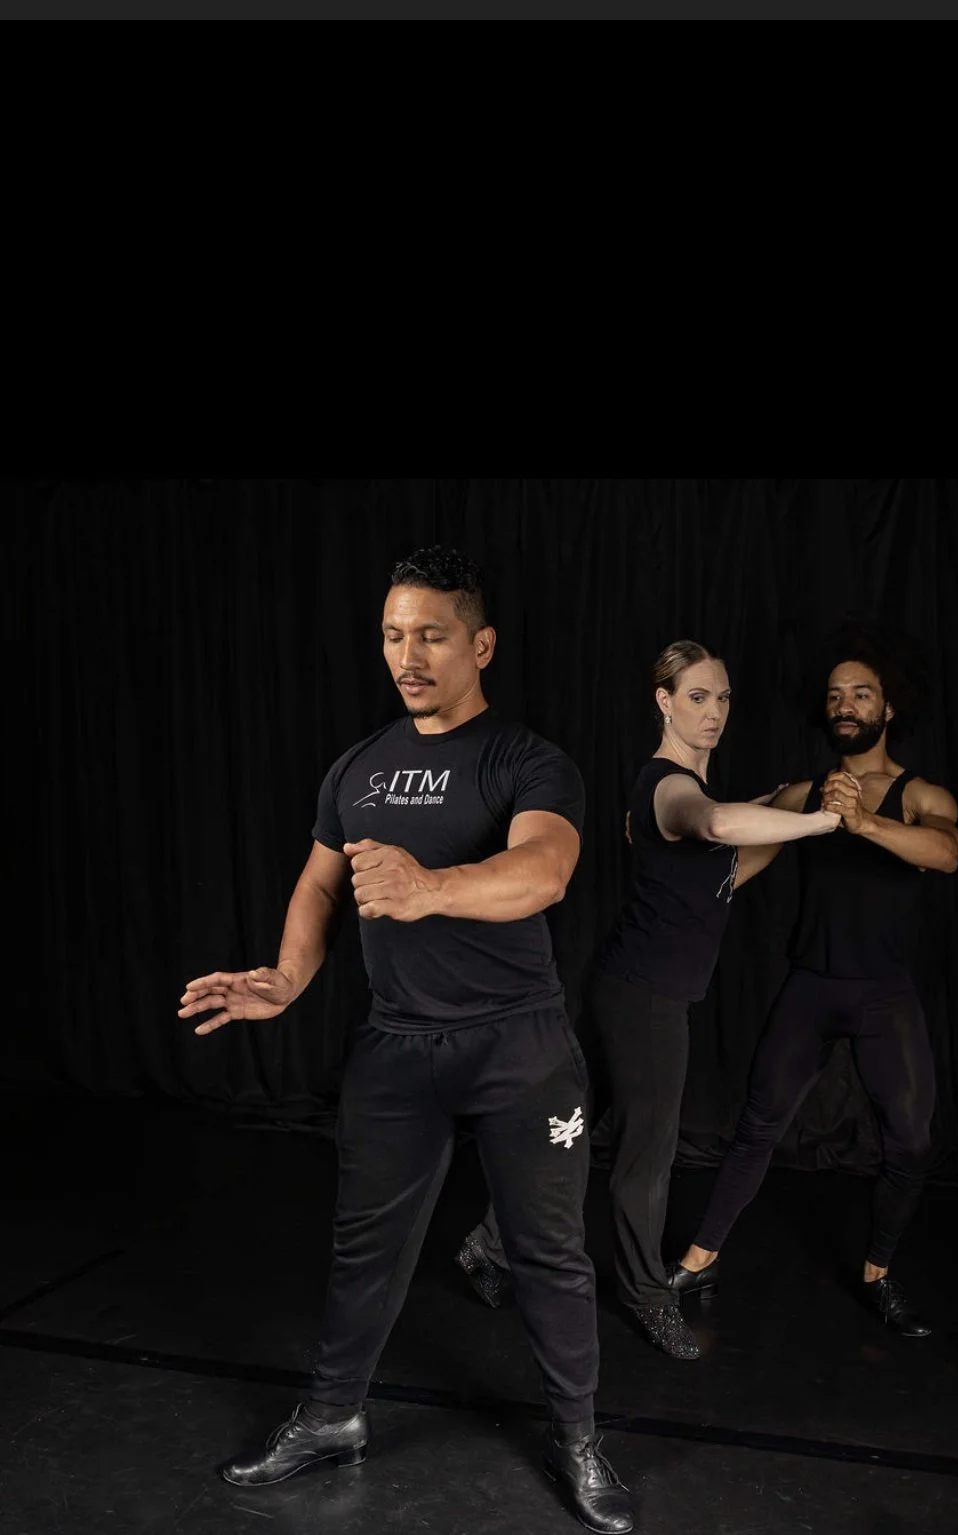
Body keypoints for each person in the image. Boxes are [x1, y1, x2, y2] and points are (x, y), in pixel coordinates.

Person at [177, 546, 633, 1535]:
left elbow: (545, 869)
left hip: (519, 1046)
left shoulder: (529, 759)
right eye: (392, 633)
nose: (407, 652)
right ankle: (334, 1415)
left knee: (550, 1253)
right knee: (363, 1249)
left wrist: (431, 889)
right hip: (396, 1050)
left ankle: (579, 1437)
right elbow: (321, 881)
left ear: (481, 643)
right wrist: (288, 975)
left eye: (429, 632)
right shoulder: (360, 765)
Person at [456, 640, 839, 1360]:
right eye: (698, 696)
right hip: (648, 1002)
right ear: (664, 701)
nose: (715, 711)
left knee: (567, 1126)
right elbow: (719, 824)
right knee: (646, 1156)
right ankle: (645, 1292)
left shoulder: (690, 791)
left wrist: (788, 802)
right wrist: (823, 822)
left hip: (623, 985)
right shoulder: (668, 787)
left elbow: (725, 871)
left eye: (724, 697)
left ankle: (489, 1245)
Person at [670, 620, 958, 1338]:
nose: (847, 704)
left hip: (883, 993)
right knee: (756, 1125)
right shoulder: (806, 791)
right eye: (836, 694)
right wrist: (670, 850)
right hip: (811, 985)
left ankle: (879, 1271)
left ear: (887, 708)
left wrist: (861, 821)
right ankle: (696, 1260)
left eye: (862, 693)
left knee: (912, 1140)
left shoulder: (921, 793)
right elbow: (737, 853)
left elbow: (946, 853)